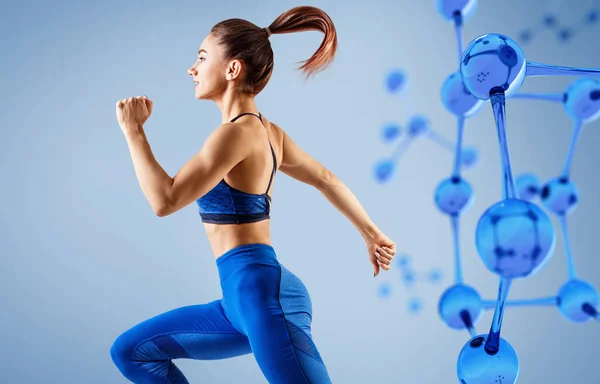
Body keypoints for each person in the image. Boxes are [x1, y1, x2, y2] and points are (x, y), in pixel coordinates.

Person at [111, 5, 396, 383]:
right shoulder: (269, 133)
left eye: (201, 57)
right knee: (132, 351)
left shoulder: (235, 134)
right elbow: (325, 178)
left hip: (262, 295)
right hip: (239, 302)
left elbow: (165, 200)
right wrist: (371, 233)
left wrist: (134, 132)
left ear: (232, 69)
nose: (191, 69)